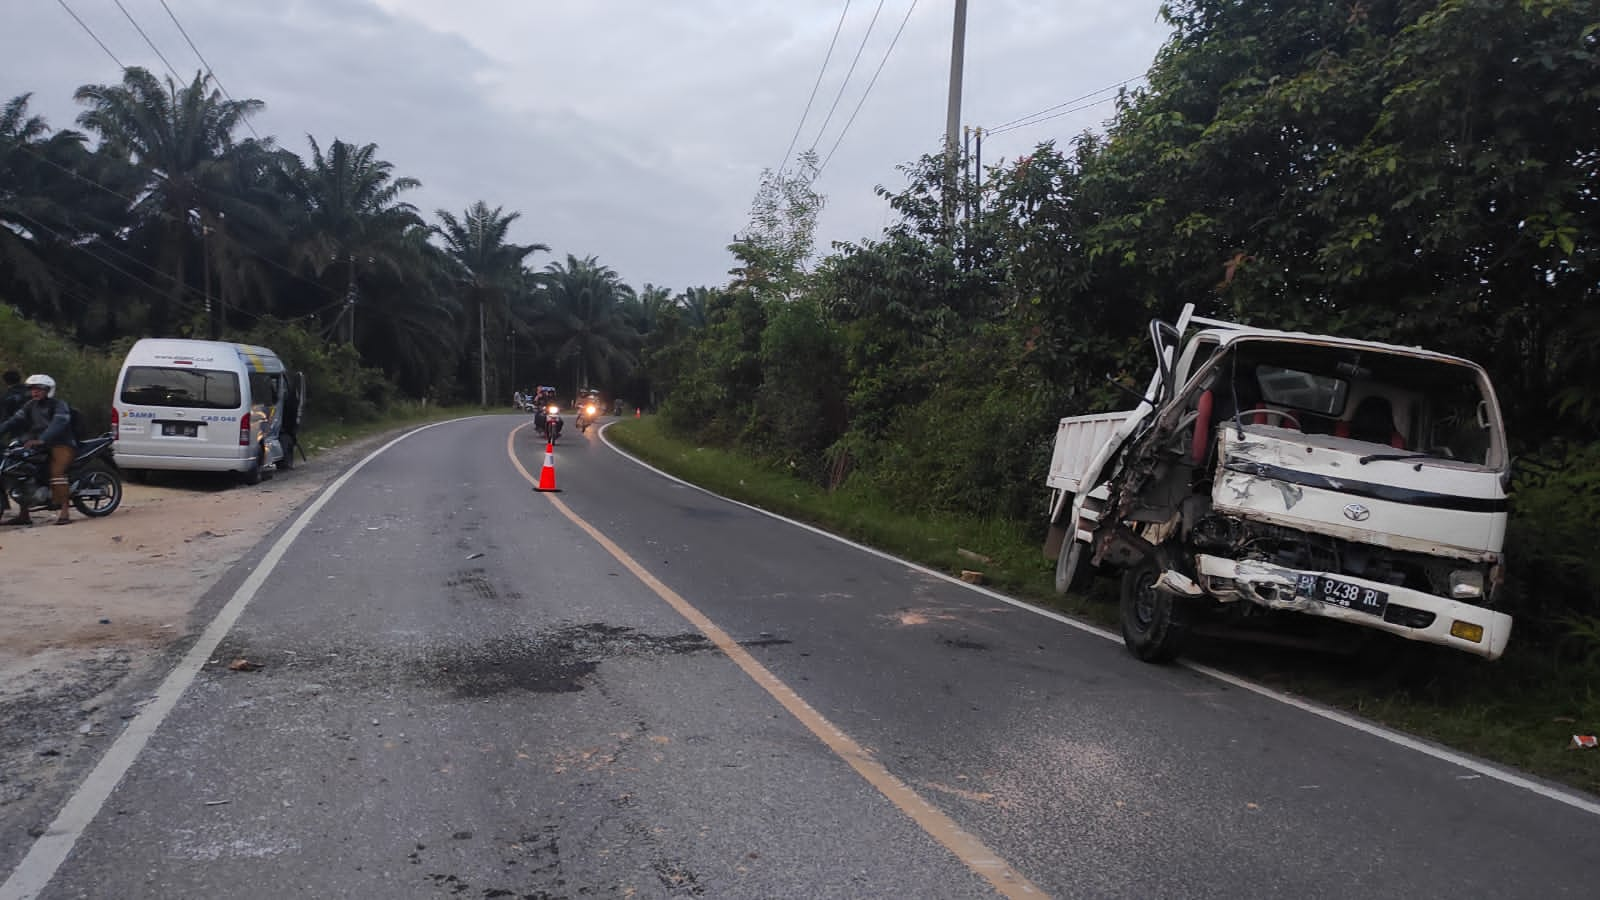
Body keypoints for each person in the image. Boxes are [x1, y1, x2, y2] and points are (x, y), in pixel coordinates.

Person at [0, 374, 78, 526]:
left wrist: (43, 439)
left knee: (57, 473)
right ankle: (24, 515)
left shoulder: (59, 405)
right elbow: (13, 421)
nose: (35, 392)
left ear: (48, 390)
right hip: (36, 444)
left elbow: (59, 423)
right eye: (32, 389)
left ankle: (65, 512)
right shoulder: (30, 405)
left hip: (61, 443)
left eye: (39, 389)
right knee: (20, 471)